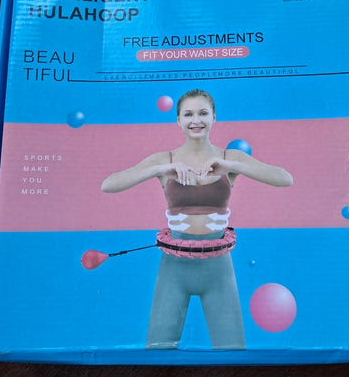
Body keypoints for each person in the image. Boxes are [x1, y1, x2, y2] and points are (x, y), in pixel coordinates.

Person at [101, 89, 293, 349]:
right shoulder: (165, 159)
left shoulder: (229, 158)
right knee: (158, 348)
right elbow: (108, 185)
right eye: (188, 114)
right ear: (178, 120)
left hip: (218, 269)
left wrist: (234, 167)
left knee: (231, 349)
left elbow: (285, 179)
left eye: (203, 113)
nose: (196, 120)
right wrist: (160, 170)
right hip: (173, 268)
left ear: (214, 117)